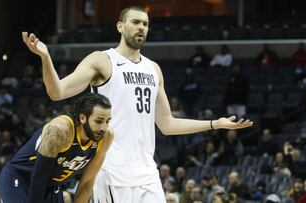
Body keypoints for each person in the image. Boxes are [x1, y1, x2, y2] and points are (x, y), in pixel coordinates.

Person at [22, 6, 253, 203]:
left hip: (147, 173)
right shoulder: (102, 60)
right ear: (120, 26)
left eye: (145, 23)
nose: (141, 27)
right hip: (111, 170)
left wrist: (215, 123)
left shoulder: (153, 69)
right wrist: (45, 57)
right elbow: (57, 92)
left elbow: (167, 124)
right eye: (135, 22)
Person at [0, 93, 114, 203]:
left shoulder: (106, 137)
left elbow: (87, 182)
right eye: (98, 121)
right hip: (21, 178)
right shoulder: (60, 130)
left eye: (107, 121)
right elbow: (39, 175)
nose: (104, 128)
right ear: (83, 118)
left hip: (51, 185)